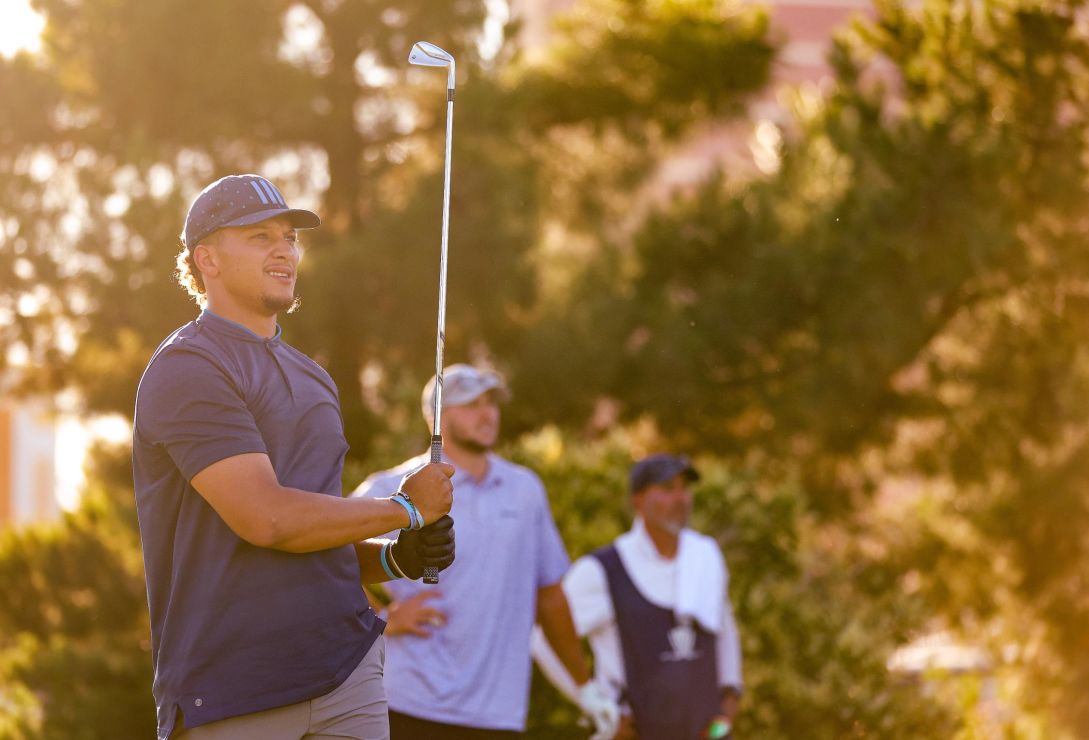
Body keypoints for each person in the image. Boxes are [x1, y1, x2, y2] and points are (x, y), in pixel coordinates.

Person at [132, 173, 456, 740]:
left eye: (290, 236)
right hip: (235, 689)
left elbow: (312, 532)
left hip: (345, 674)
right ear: (205, 259)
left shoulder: (314, 378)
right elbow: (268, 519)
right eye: (259, 236)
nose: (284, 249)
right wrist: (403, 510)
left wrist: (392, 559)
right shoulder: (188, 368)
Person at [355, 363, 619, 739]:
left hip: (499, 713)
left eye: (491, 402)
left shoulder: (525, 489)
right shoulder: (390, 485)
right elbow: (328, 557)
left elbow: (550, 596)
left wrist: (586, 688)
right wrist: (380, 618)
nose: (487, 413)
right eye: (471, 404)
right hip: (408, 702)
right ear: (437, 418)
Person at [532, 453, 743, 740]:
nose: (680, 498)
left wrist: (728, 706)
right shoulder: (604, 569)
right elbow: (544, 639)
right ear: (639, 500)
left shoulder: (705, 557)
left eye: (684, 489)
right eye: (668, 489)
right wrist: (594, 703)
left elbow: (725, 630)